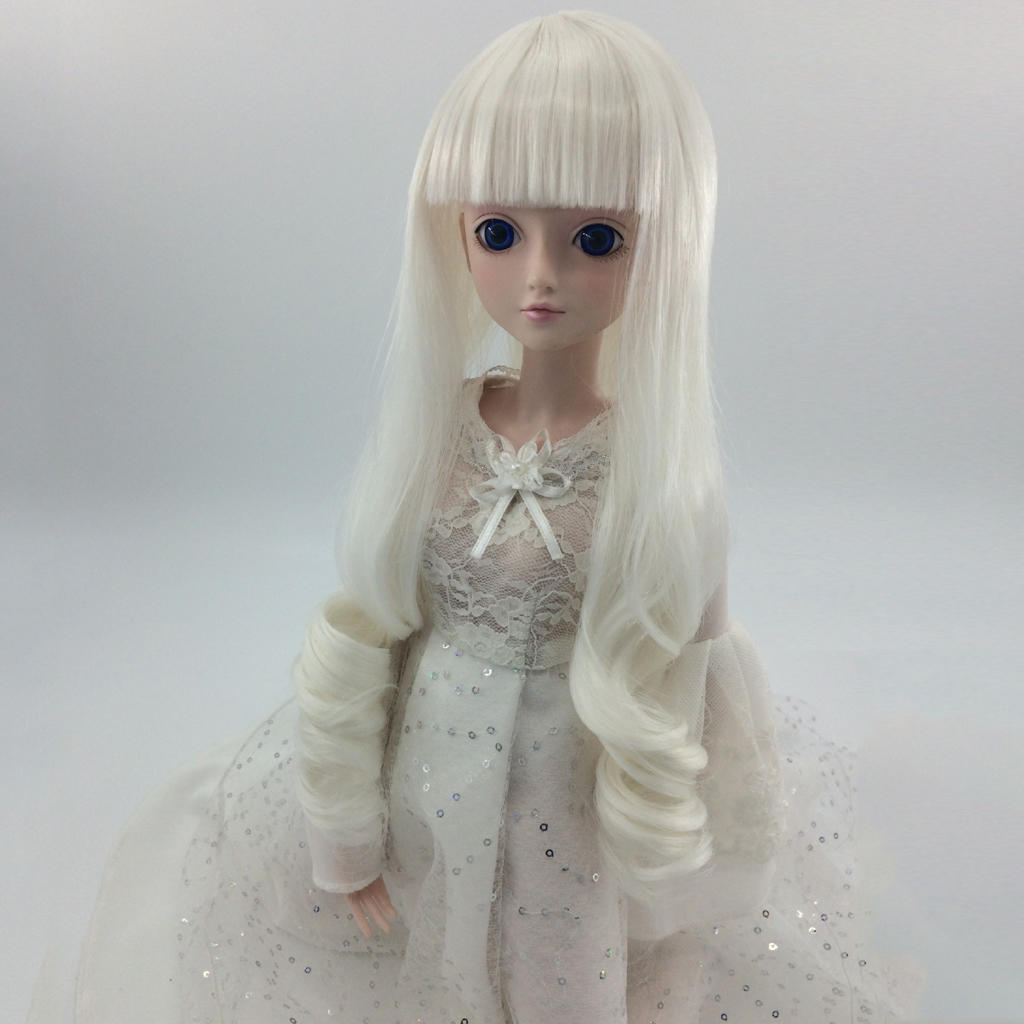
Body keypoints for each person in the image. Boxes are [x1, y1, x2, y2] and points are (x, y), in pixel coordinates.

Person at [72, 11, 922, 1023]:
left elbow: (700, 675)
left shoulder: (659, 480)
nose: (540, 276)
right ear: (456, 234)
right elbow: (367, 634)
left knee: (563, 969)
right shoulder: (435, 438)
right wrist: (344, 831)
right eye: (498, 233)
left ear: (662, 245)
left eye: (595, 239)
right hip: (428, 788)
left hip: (572, 807)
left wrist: (686, 850)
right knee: (421, 965)